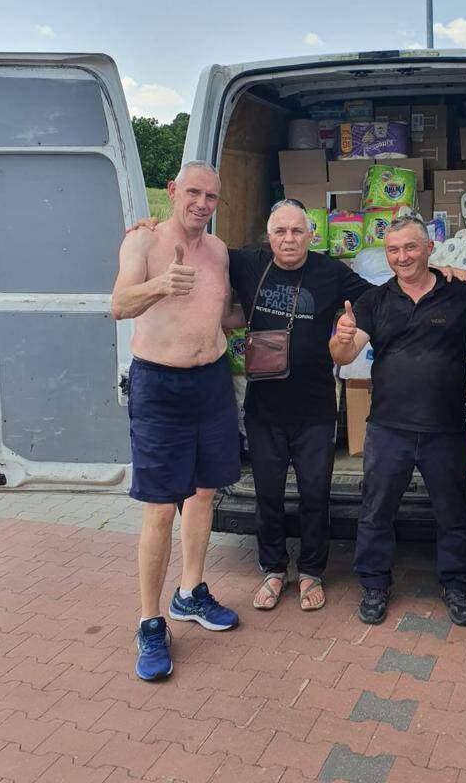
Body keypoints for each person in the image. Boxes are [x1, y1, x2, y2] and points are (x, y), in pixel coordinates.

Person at [111, 161, 240, 683]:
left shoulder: (219, 251)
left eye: (211, 197)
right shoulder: (142, 241)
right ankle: (149, 622)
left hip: (211, 382)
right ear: (172, 190)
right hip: (159, 385)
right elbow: (119, 304)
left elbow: (222, 313)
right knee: (162, 508)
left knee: (204, 494)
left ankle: (189, 593)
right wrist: (162, 284)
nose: (201, 204)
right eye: (193, 193)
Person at [331, 215, 466, 627]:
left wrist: (459, 270)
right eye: (393, 250)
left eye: (411, 247)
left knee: (453, 514)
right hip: (387, 427)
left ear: (430, 248)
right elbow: (343, 355)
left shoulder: (460, 293)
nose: (402, 257)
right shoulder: (374, 301)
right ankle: (374, 584)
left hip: (445, 427)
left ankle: (457, 585)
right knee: (375, 511)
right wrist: (341, 340)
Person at [227, 199, 371, 612]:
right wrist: (150, 231)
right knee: (268, 496)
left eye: (296, 231)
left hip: (315, 409)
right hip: (264, 409)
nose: (288, 239)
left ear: (312, 234)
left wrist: (440, 274)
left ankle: (311, 572)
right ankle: (273, 570)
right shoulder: (247, 263)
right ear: (268, 236)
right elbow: (199, 248)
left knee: (315, 495)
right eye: (280, 231)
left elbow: (379, 298)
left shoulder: (331, 272)